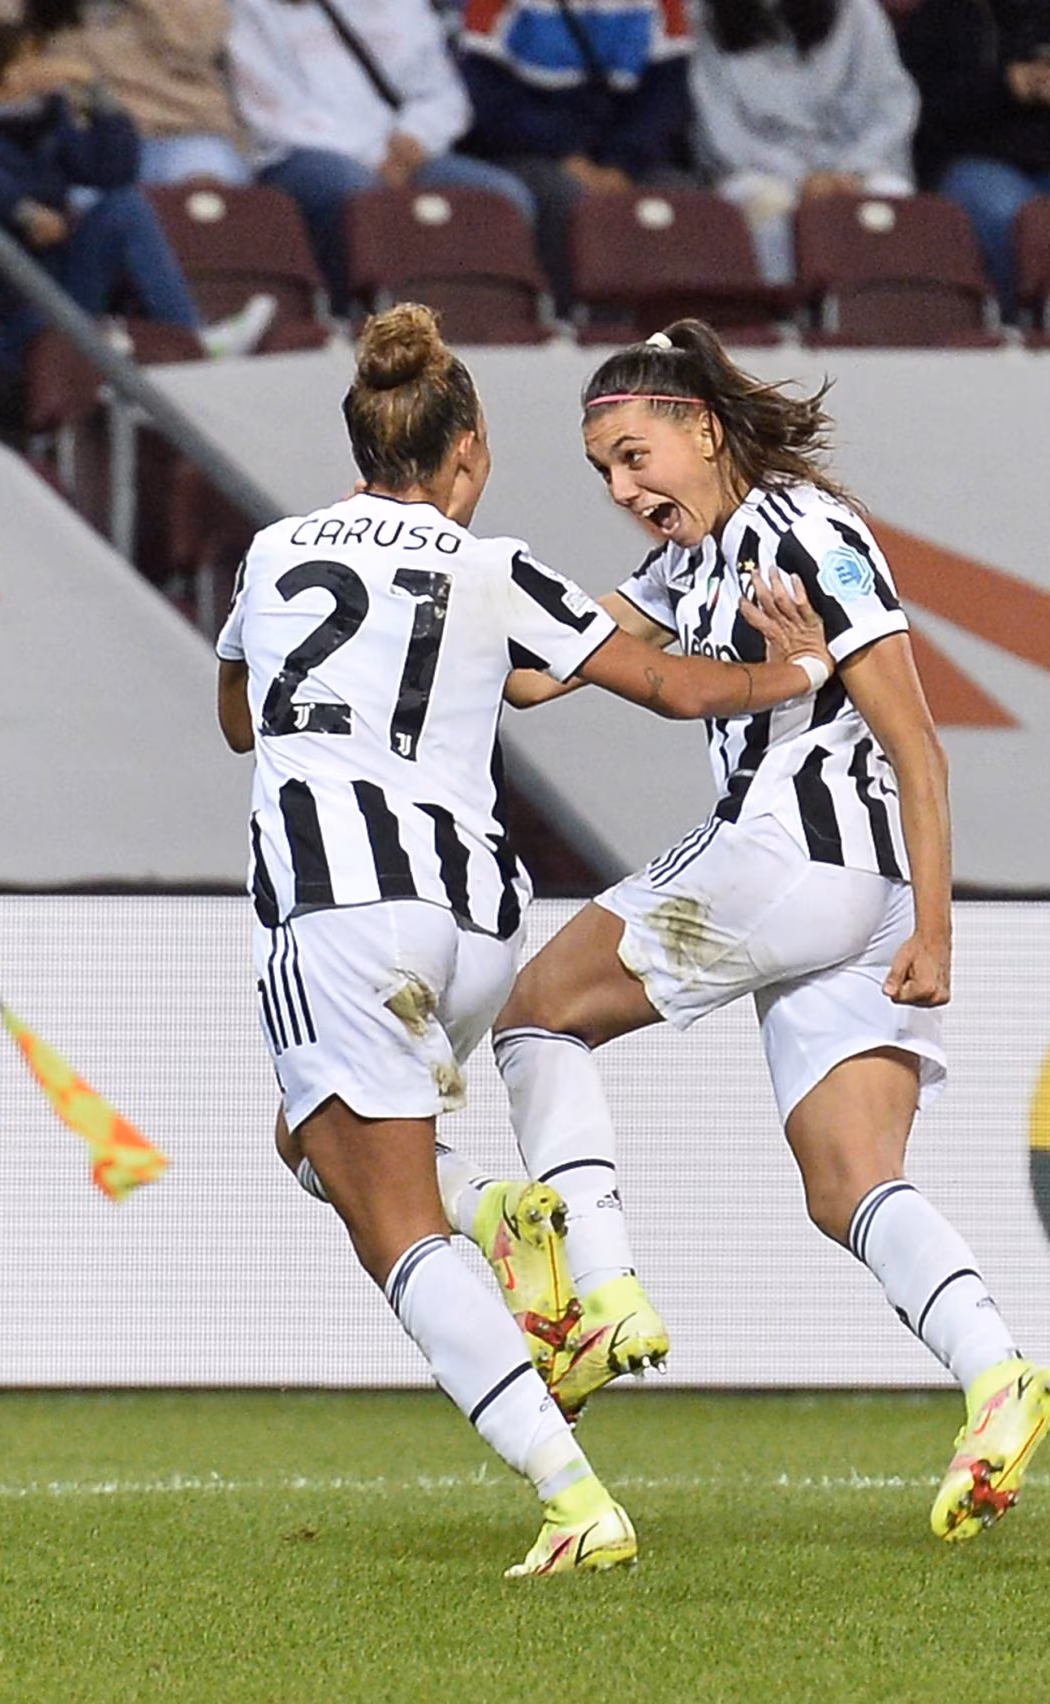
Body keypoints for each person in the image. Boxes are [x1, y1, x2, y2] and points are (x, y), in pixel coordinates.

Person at [218, 305, 836, 1576]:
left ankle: (571, 1496)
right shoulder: (494, 565)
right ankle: (498, 1208)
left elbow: (239, 717)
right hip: (474, 925)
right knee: (309, 1138)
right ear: (471, 451)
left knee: (391, 1228)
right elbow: (668, 686)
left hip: (339, 908)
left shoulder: (274, 552)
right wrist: (794, 674)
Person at [440, 320, 1050, 1546]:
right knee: (849, 1182)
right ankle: (997, 1376)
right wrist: (456, 571)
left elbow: (918, 744)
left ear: (703, 430)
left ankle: (599, 1292)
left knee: (534, 1014)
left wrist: (939, 935)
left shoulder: (807, 534)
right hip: (858, 896)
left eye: (635, 457)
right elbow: (535, 677)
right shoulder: (691, 561)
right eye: (603, 472)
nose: (622, 490)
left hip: (794, 854)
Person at [0, 22, 276, 368]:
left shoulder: (46, 117)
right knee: (65, 329)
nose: (45, 67)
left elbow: (113, 171)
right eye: (26, 61)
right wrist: (22, 211)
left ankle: (194, 340)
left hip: (59, 290)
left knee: (125, 206)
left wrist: (98, 93)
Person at [228, 0, 540, 303]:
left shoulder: (403, 6)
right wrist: (377, 158)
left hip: (404, 152)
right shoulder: (252, 8)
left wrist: (416, 135)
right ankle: (355, 318)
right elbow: (271, 114)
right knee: (360, 196)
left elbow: (443, 94)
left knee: (501, 197)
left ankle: (479, 319)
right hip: (302, 154)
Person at [894, 0, 1050, 319]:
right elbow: (920, 111)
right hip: (975, 158)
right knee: (1007, 214)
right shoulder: (948, 12)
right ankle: (1013, 328)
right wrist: (1006, 87)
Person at [456, 0, 699, 297]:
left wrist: (621, 165)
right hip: (528, 151)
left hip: (626, 158)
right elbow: (485, 94)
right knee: (568, 200)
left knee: (682, 201)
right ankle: (571, 315)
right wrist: (564, 152)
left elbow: (667, 99)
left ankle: (671, 319)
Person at [691, 0, 922, 284]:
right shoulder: (707, 17)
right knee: (770, 210)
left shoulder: (857, 12)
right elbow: (722, 131)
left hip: (854, 169)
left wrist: (848, 172)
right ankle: (782, 310)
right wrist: (802, 180)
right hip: (758, 171)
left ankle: (878, 309)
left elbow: (891, 109)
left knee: (890, 200)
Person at [0, 0, 256, 186]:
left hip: (182, 133)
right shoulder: (35, 13)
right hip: (94, 146)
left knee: (202, 193)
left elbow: (199, 42)